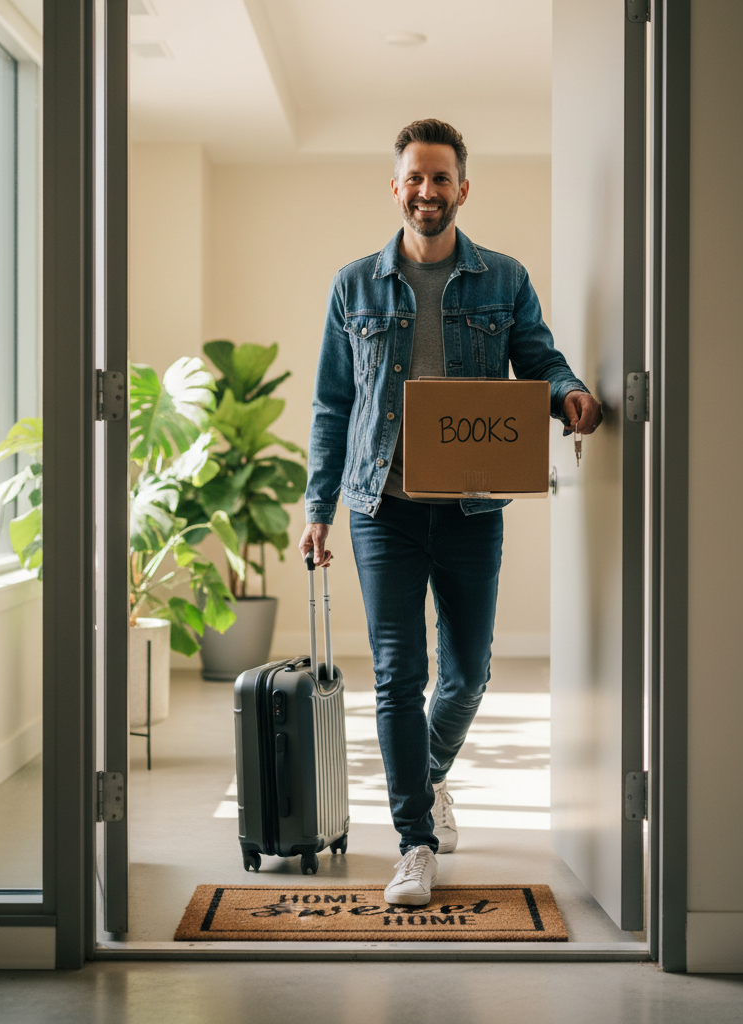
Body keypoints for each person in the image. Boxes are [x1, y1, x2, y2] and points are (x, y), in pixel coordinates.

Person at [298, 119, 602, 906]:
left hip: (470, 510)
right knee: (401, 677)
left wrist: (567, 394)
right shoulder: (353, 285)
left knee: (467, 675)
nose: (427, 192)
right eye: (414, 178)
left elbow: (537, 356)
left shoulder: (503, 279)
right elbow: (333, 405)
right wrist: (319, 507)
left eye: (441, 179)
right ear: (394, 187)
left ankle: (425, 779)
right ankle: (413, 842)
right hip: (382, 510)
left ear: (463, 189)